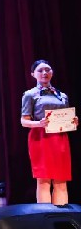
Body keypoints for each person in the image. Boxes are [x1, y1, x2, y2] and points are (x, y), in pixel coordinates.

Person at [20, 59, 78, 205]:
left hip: (60, 139)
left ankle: (61, 216)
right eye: (40, 70)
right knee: (44, 180)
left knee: (61, 180)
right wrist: (38, 123)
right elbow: (24, 121)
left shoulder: (62, 95)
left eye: (47, 69)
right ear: (33, 74)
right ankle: (44, 216)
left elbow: (66, 118)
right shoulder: (30, 94)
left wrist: (73, 121)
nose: (44, 73)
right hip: (40, 138)